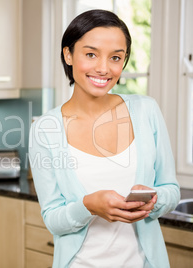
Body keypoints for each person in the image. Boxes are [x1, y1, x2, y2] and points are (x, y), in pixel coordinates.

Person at [28, 9, 180, 268]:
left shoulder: (146, 110)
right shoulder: (45, 129)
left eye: (115, 57)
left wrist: (154, 199)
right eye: (90, 54)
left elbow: (171, 190)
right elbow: (53, 218)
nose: (103, 68)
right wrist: (88, 206)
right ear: (68, 55)